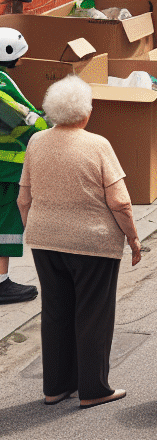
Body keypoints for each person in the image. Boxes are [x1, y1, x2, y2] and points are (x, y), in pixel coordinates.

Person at [17, 75, 142, 407]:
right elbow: (120, 202)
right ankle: (94, 389)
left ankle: (56, 387)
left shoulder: (37, 142)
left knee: (55, 311)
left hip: (45, 241)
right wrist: (132, 238)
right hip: (92, 243)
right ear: (85, 111)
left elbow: (23, 198)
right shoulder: (97, 144)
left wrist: (38, 229)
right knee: (93, 313)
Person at [0, 29, 47, 305]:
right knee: (5, 224)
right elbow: (21, 119)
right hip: (5, 170)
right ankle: (1, 284)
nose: (23, 60)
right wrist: (41, 121)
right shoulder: (2, 85)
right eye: (20, 55)